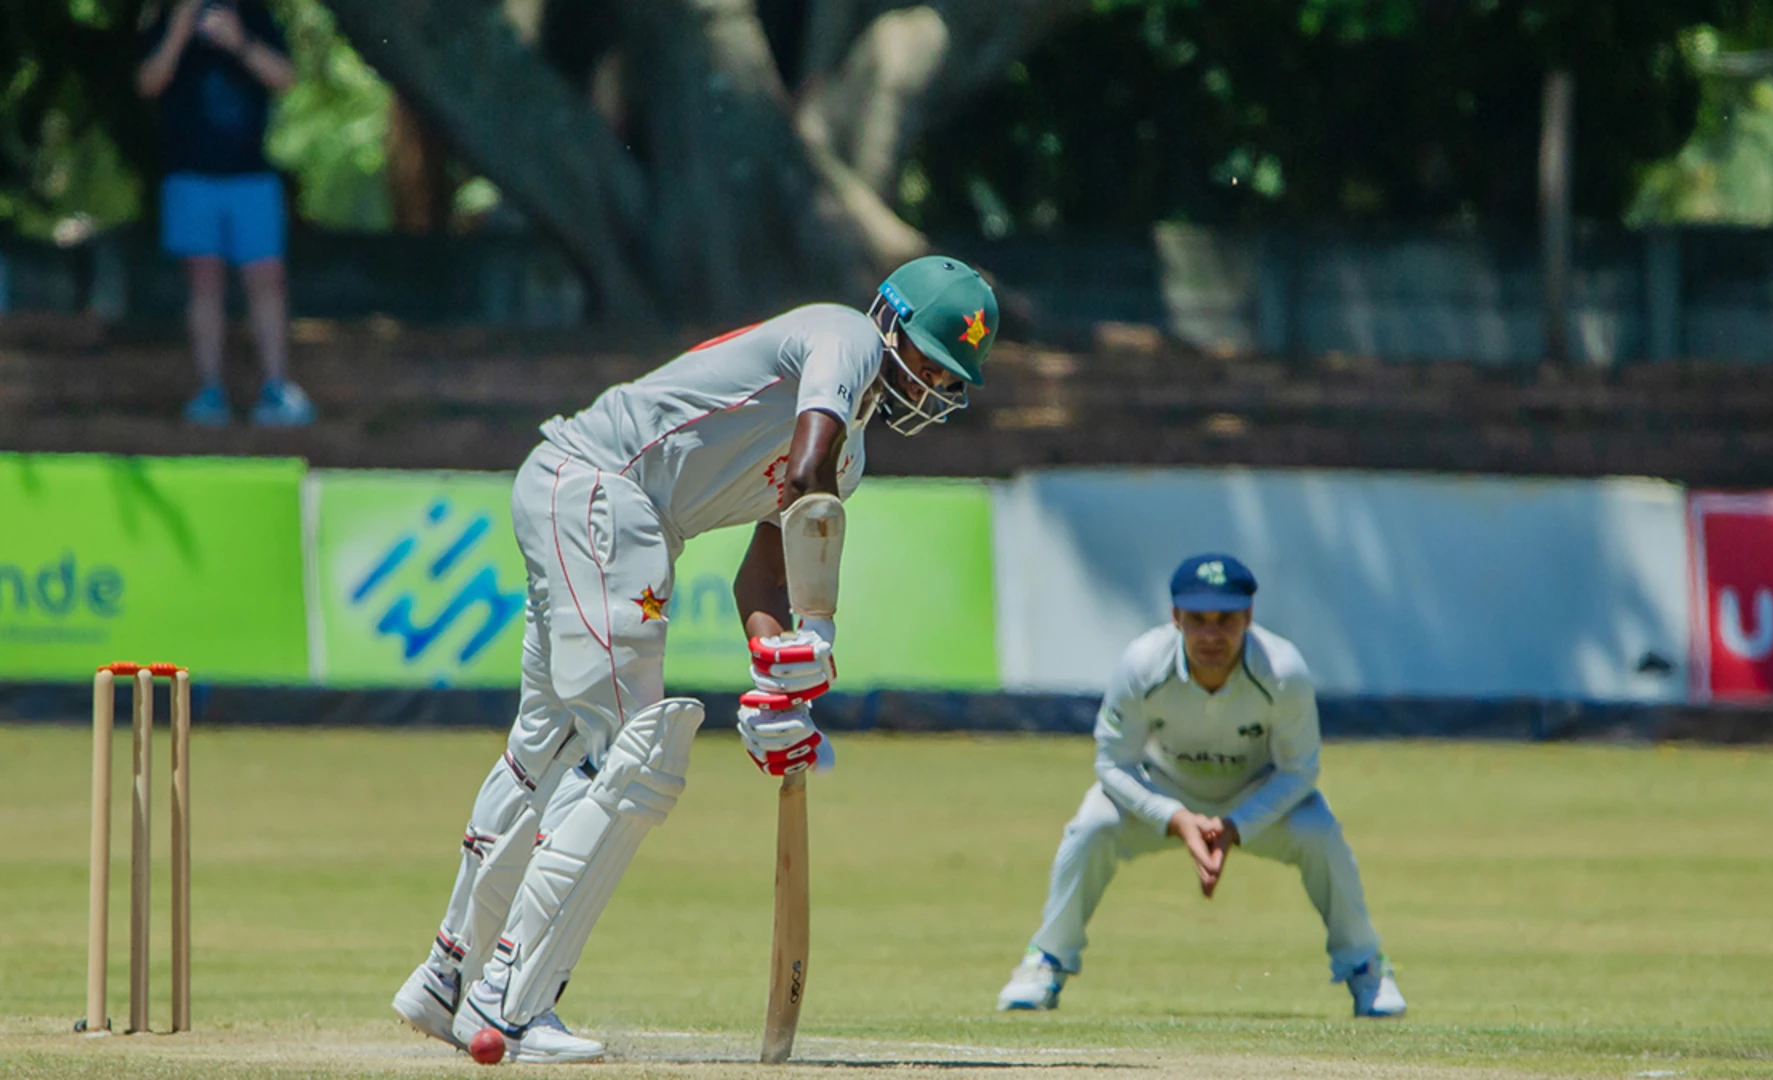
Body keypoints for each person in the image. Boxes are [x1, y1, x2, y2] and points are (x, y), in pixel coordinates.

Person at [390, 257, 999, 1063]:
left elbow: (763, 573)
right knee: (636, 759)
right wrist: (819, 632)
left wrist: (777, 674)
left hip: (584, 494)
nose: (932, 384)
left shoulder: (851, 459)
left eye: (946, 376)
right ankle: (509, 1000)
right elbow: (808, 474)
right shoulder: (844, 339)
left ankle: (445, 977)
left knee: (546, 747)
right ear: (890, 320)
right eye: (927, 359)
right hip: (608, 494)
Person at [994, 554, 1407, 1018]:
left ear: (1249, 617)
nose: (1212, 635)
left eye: (1226, 619)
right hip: (1166, 793)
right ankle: (1046, 961)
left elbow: (1300, 771)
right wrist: (1173, 818)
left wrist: (1236, 825)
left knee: (1318, 830)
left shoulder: (1284, 671)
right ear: (1176, 618)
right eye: (1197, 620)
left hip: (1255, 796)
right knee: (1092, 825)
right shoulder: (1142, 664)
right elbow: (1112, 762)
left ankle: (1366, 968)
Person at [137, 0, 313, 427]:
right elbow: (148, 83)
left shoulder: (253, 14)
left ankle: (275, 389)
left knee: (267, 279)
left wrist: (240, 43)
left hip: (250, 177)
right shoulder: (161, 15)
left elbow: (286, 78)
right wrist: (179, 31)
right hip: (190, 176)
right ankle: (209, 391)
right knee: (203, 283)